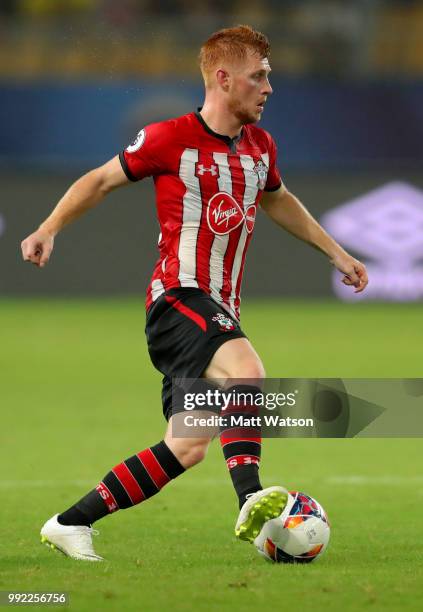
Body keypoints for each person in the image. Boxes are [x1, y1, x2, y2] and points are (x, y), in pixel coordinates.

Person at [21, 25, 368, 562]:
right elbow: (99, 181)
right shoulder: (167, 138)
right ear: (223, 79)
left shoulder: (259, 147)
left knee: (185, 448)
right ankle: (252, 498)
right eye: (259, 76)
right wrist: (48, 227)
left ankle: (69, 522)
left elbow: (278, 200)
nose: (268, 87)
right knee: (247, 371)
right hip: (178, 298)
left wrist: (335, 252)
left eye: (269, 76)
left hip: (217, 307)